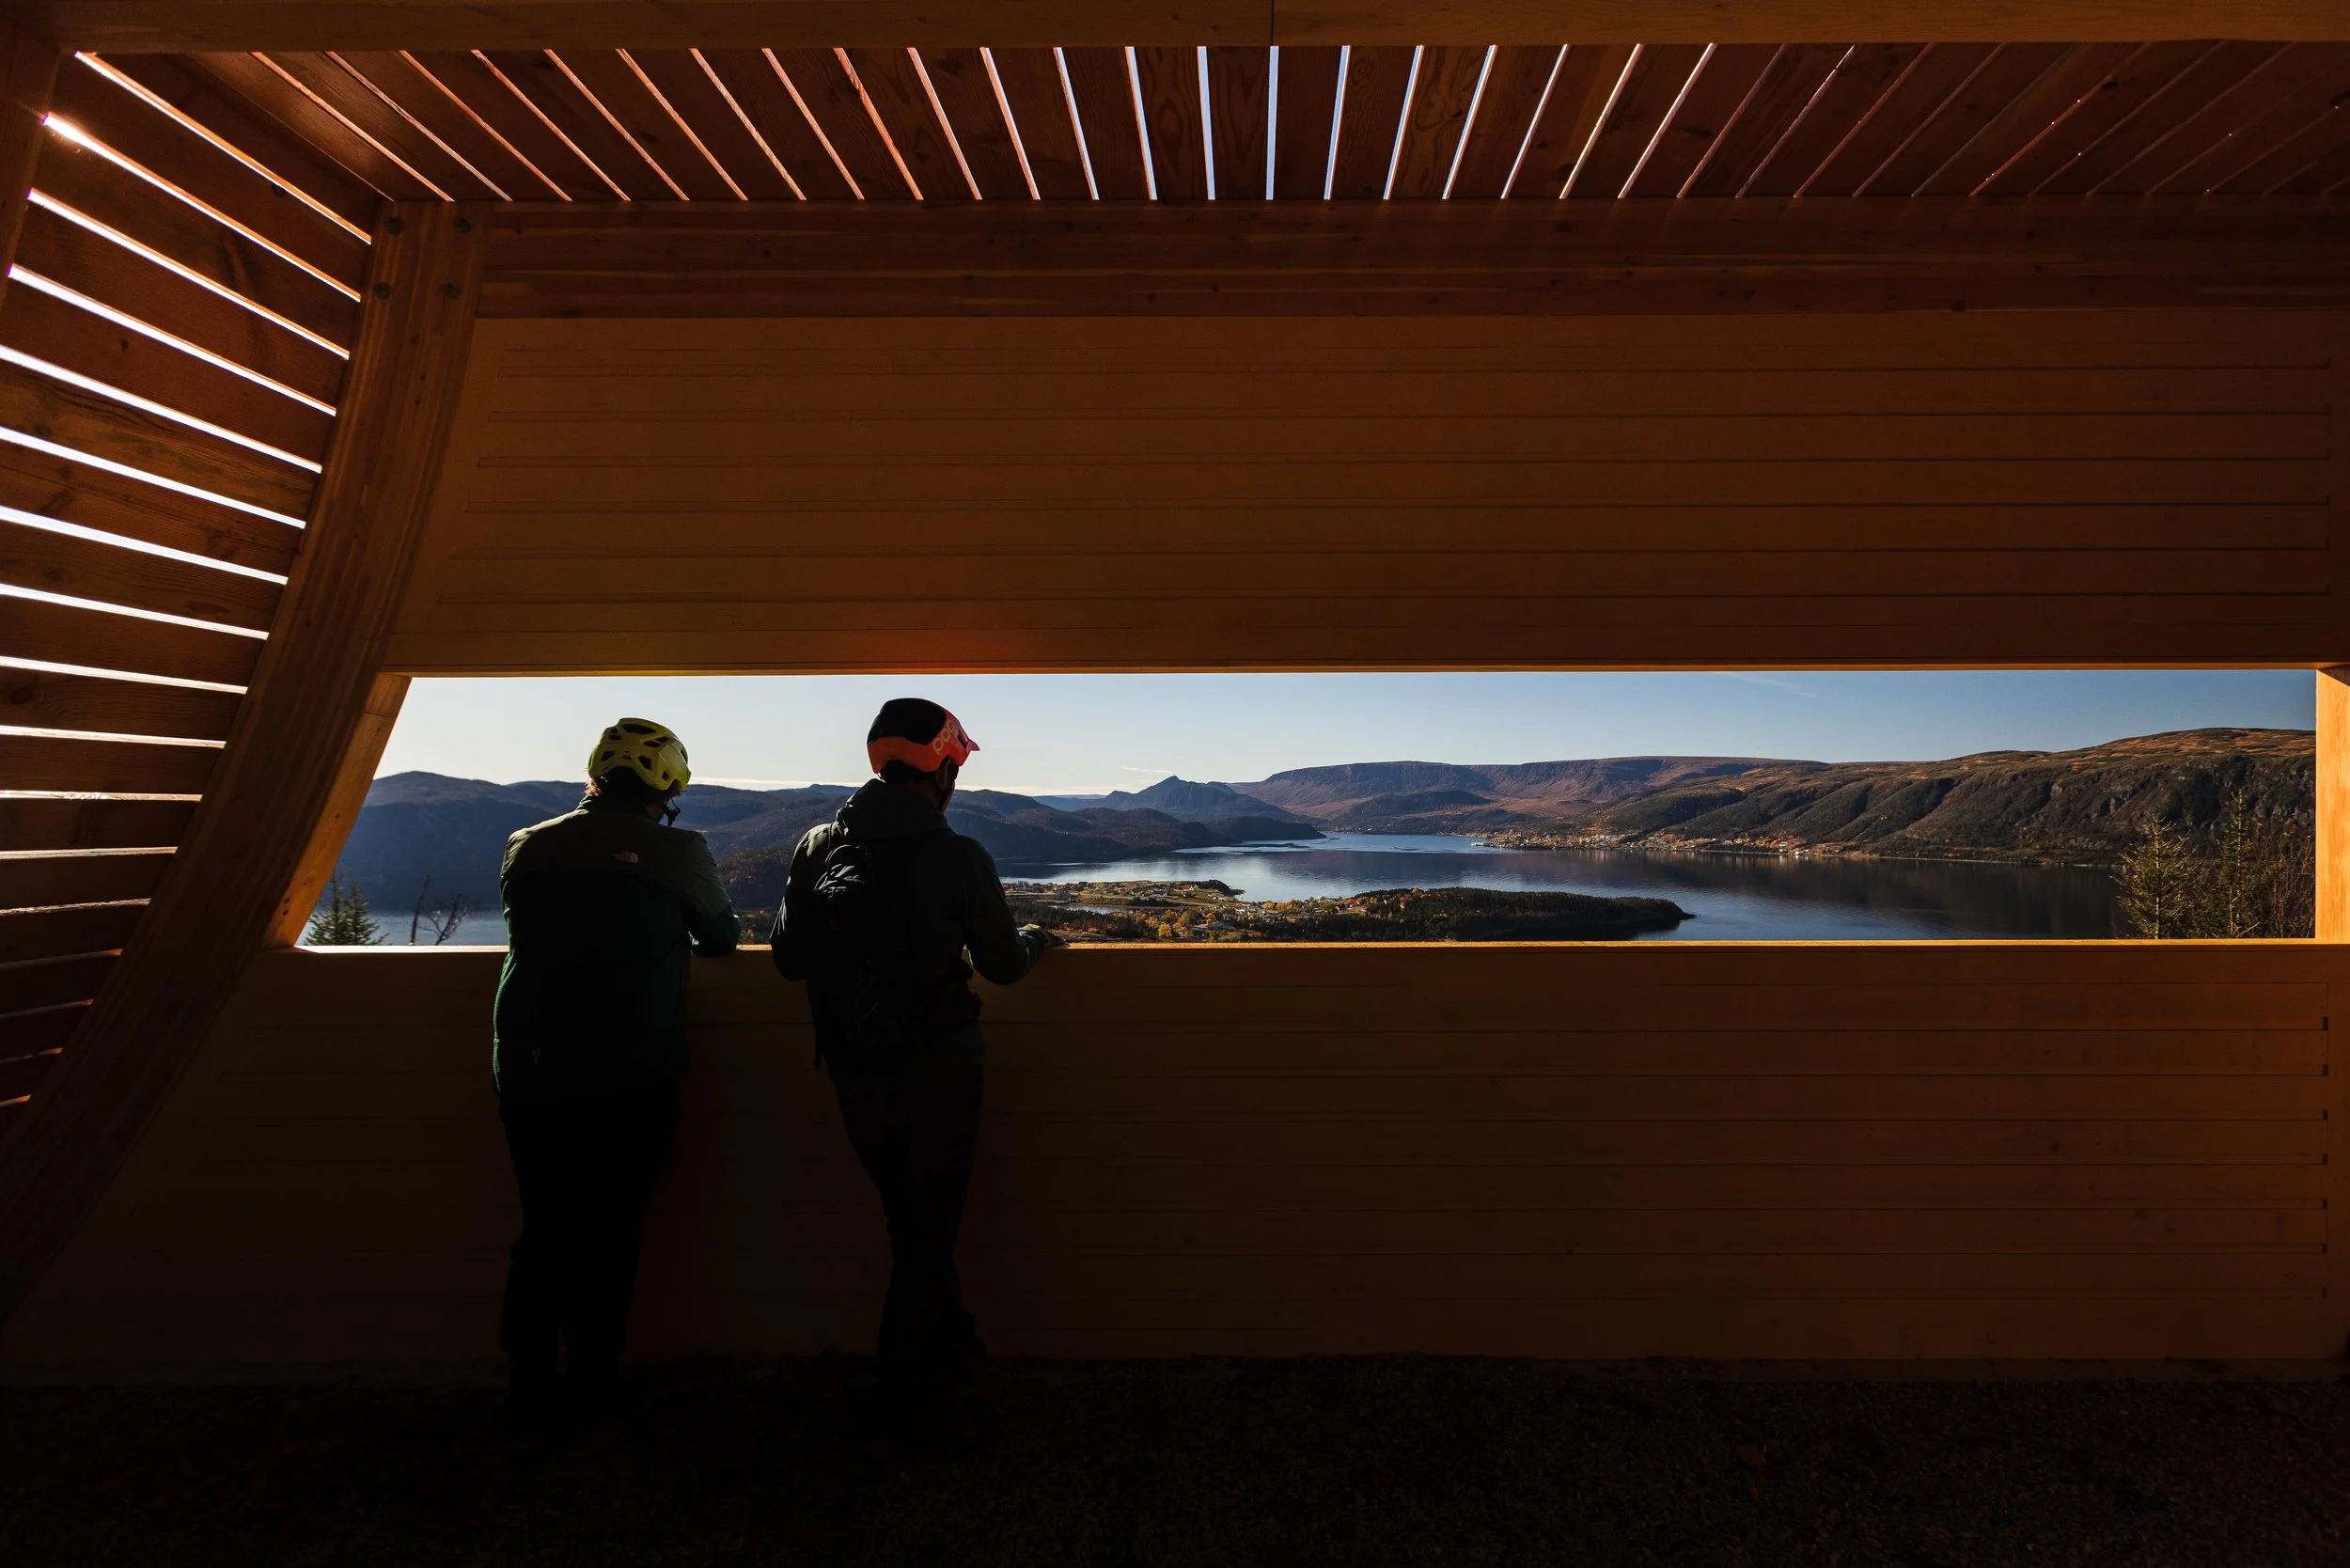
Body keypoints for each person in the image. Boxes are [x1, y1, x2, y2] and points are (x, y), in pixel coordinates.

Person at [769, 698, 1060, 1429]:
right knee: (927, 1231)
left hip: (853, 1067)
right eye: (955, 765)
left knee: (912, 1221)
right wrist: (1035, 939)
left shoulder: (818, 846)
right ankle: (907, 1399)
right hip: (941, 1073)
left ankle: (952, 1355)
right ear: (942, 769)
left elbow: (787, 959)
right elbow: (1003, 965)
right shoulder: (958, 857)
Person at [493, 716, 739, 1405]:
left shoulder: (526, 844)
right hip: (633, 1066)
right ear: (670, 787)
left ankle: (528, 1379)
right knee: (611, 1226)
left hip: (530, 1061)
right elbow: (721, 938)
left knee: (544, 1224)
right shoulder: (680, 851)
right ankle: (594, 1377)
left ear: (595, 775)